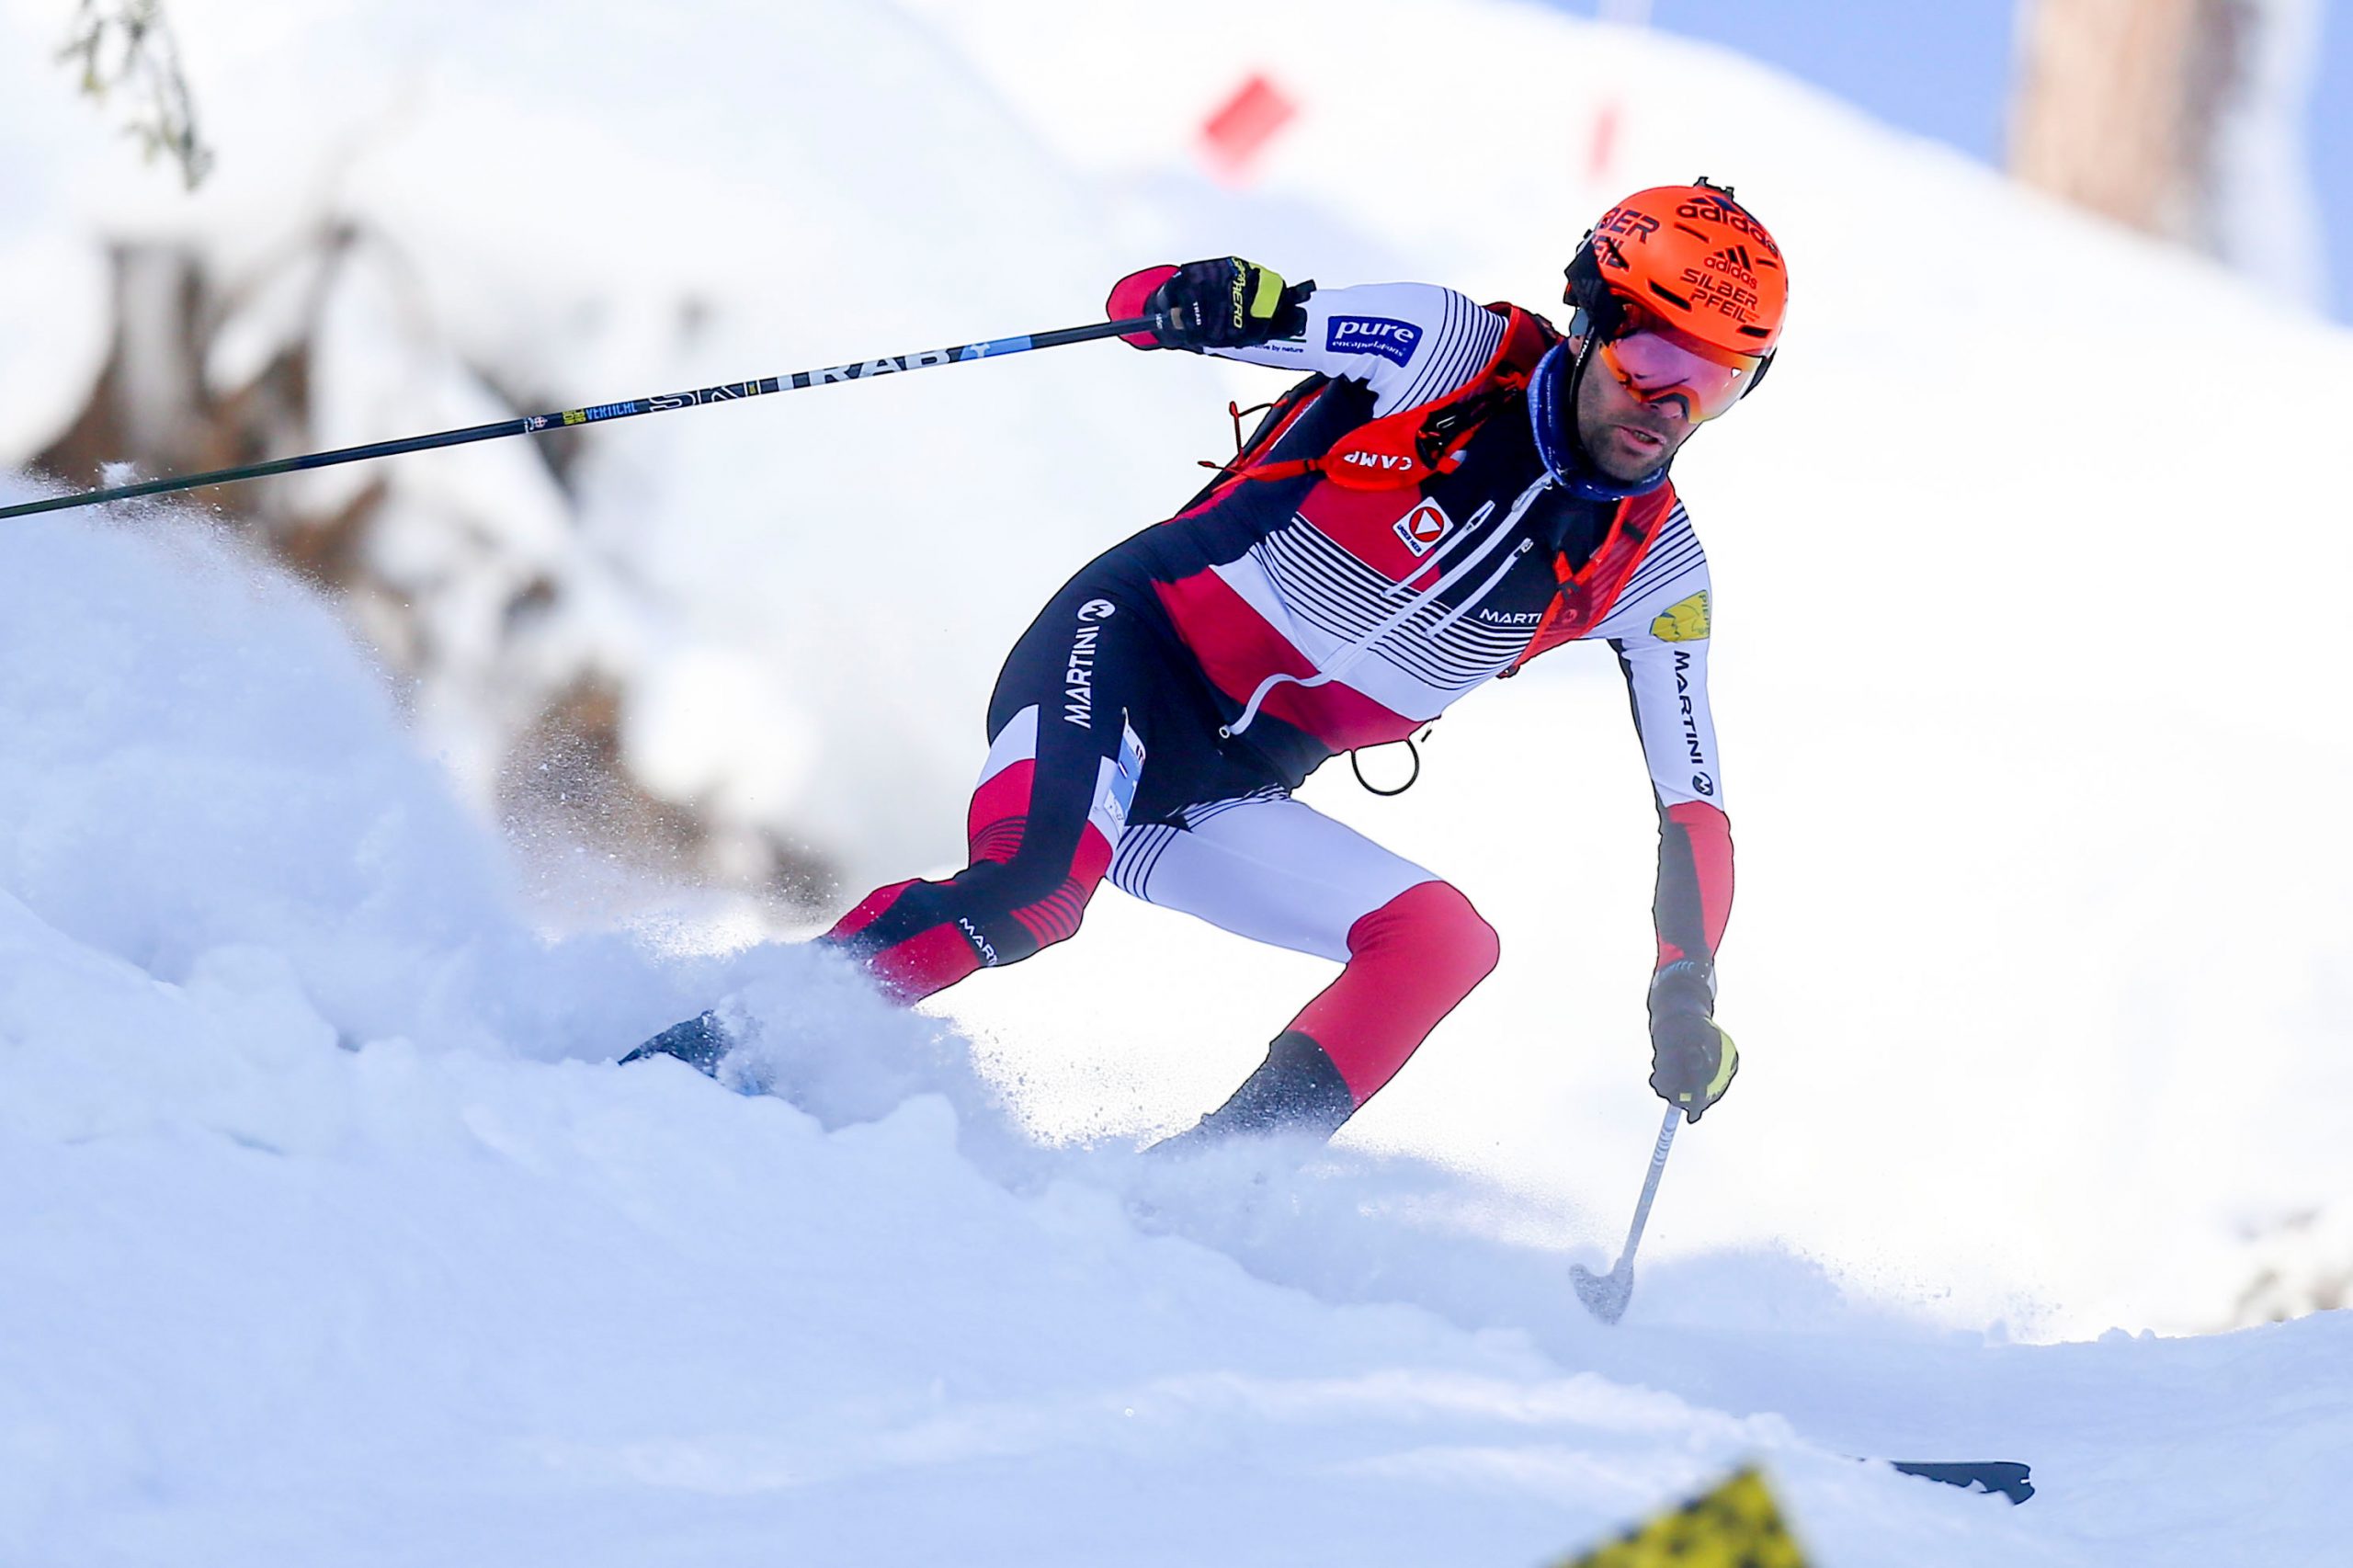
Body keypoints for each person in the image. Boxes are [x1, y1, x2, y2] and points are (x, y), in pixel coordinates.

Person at [627, 178, 1788, 1145]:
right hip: (1123, 656)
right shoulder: (1448, 348)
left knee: (1442, 941)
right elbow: (1150, 308)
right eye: (1646, 352)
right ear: (1588, 316)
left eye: (1715, 379)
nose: (1669, 401)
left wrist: (1684, 979)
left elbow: (1694, 808)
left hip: (1226, 786)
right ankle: (682, 1068)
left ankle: (1200, 1199)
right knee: (1037, 893)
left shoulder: (1655, 569)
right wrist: (1210, 298)